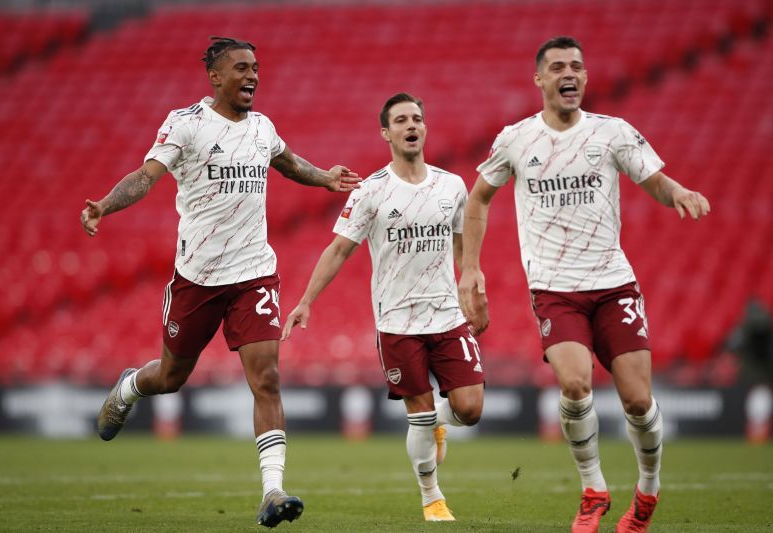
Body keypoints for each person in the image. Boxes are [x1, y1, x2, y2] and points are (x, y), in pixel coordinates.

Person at [79, 36, 360, 529]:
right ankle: (128, 389)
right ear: (214, 76)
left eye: (256, 67)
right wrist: (105, 203)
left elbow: (288, 163)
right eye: (241, 68)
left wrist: (325, 179)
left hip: (254, 274)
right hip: (198, 279)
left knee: (267, 378)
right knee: (170, 378)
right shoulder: (186, 124)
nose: (252, 76)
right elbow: (146, 176)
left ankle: (272, 492)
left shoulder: (262, 128)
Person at [458, 36, 710, 533]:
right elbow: (478, 199)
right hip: (554, 288)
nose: (568, 73)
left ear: (586, 78)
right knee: (575, 385)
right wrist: (470, 267)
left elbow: (653, 178)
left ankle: (648, 491)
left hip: (614, 284)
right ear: (540, 79)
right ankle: (593, 489)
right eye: (557, 67)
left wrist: (677, 189)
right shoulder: (515, 139)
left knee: (638, 401)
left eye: (576, 66)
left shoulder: (612, 133)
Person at [281, 93, 485, 522]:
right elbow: (338, 249)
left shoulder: (451, 186)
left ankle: (440, 423)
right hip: (397, 321)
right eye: (401, 120)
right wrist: (305, 302)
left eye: (417, 118)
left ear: (425, 128)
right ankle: (432, 497)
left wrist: (470, 279)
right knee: (420, 415)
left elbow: (462, 240)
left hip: (447, 315)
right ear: (386, 133)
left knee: (470, 408)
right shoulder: (371, 191)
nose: (411, 125)